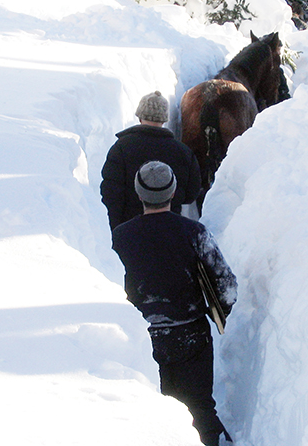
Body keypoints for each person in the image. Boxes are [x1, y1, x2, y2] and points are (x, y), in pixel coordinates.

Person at [111, 161, 237, 446]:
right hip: (191, 336)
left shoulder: (119, 238)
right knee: (200, 409)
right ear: (173, 192)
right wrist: (213, 313)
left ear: (139, 194)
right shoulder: (195, 233)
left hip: (142, 340)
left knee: (149, 415)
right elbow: (227, 290)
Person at [100, 91, 201, 230]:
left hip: (129, 229)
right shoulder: (183, 152)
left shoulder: (121, 148)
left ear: (140, 116)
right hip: (170, 229)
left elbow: (110, 193)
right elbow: (191, 194)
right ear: (164, 119)